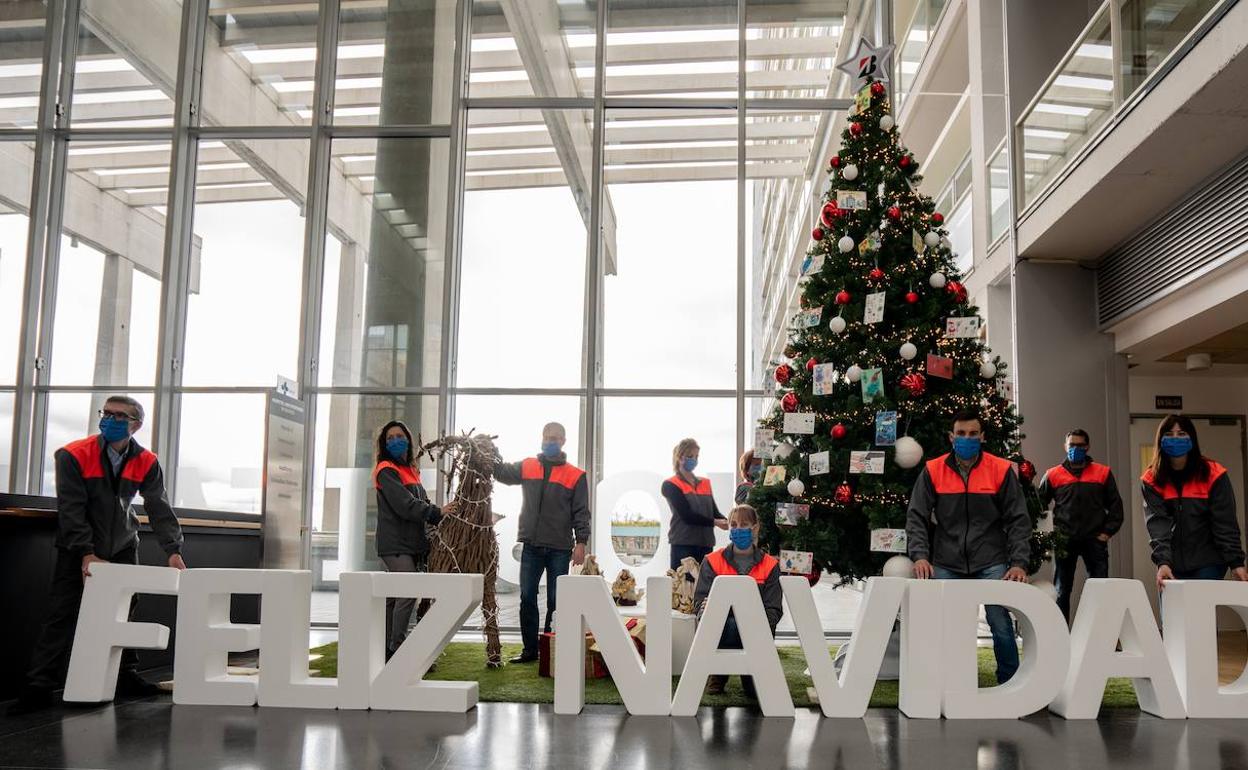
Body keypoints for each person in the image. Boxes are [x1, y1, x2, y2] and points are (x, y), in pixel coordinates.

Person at [11, 396, 186, 715]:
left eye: (120, 415)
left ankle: (123, 676)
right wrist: (86, 554)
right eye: (106, 413)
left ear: (136, 424)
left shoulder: (146, 461)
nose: (110, 419)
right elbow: (72, 509)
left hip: (121, 546)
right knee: (62, 612)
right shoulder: (74, 455)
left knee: (124, 612)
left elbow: (158, 507)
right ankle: (39, 686)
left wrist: (172, 550)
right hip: (77, 548)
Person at [906, 409, 1031, 685]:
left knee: (1000, 624)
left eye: (973, 434)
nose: (967, 438)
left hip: (992, 561)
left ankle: (1011, 684)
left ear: (982, 437)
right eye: (961, 434)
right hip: (946, 562)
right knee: (944, 626)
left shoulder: (1000, 470)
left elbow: (1018, 519)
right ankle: (944, 683)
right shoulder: (933, 469)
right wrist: (920, 556)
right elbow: (917, 515)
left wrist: (1019, 563)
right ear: (951, 437)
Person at [494, 422, 590, 664]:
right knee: (527, 597)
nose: (550, 442)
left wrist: (581, 543)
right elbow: (502, 472)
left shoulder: (576, 475)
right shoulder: (528, 466)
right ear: (541, 438)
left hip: (560, 548)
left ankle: (550, 650)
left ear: (563, 441)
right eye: (547, 437)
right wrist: (488, 453)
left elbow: (581, 512)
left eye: (556, 438)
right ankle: (530, 651)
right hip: (532, 547)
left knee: (556, 602)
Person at [1143, 414, 1248, 594]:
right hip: (1172, 562)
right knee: (1173, 618)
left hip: (1209, 561)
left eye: (1182, 433)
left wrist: (1236, 562)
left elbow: (1225, 522)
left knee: (1201, 616)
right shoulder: (1152, 479)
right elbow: (1157, 525)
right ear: (1160, 440)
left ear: (1192, 438)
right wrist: (1163, 562)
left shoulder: (1214, 474)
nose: (1176, 438)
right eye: (1169, 434)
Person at [691, 504, 782, 698]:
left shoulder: (770, 565)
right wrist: (705, 609)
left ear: (755, 528)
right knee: (729, 625)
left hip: (757, 634)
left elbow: (773, 609)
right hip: (721, 629)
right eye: (733, 525)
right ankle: (721, 672)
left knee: (753, 693)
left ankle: (740, 674)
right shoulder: (712, 560)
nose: (738, 529)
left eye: (744, 524)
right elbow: (699, 601)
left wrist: (750, 624)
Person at [373, 420, 443, 661]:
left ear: (408, 440)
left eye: (399, 436)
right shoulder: (385, 469)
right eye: (390, 438)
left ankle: (383, 648)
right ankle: (397, 648)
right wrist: (437, 513)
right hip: (395, 544)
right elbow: (405, 505)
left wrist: (437, 514)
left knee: (394, 596)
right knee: (408, 592)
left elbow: (419, 501)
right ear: (384, 443)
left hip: (410, 543)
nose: (395, 441)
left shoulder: (411, 469)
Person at [1037, 429, 1124, 621]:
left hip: (1094, 540)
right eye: (1071, 445)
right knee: (1061, 590)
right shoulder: (1053, 474)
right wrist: (1051, 534)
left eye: (1080, 445)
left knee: (1100, 589)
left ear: (1087, 447)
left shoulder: (1103, 472)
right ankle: (1060, 638)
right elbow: (1038, 506)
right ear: (1065, 447)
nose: (1075, 448)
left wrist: (1107, 532)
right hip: (1064, 541)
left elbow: (1116, 507)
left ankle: (1101, 636)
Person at [662, 438, 729, 571]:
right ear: (679, 457)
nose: (694, 460)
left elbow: (713, 512)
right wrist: (715, 522)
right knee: (682, 586)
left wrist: (730, 522)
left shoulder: (705, 483)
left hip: (705, 543)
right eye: (690, 456)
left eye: (696, 456)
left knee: (703, 586)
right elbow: (687, 516)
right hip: (683, 544)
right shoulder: (670, 485)